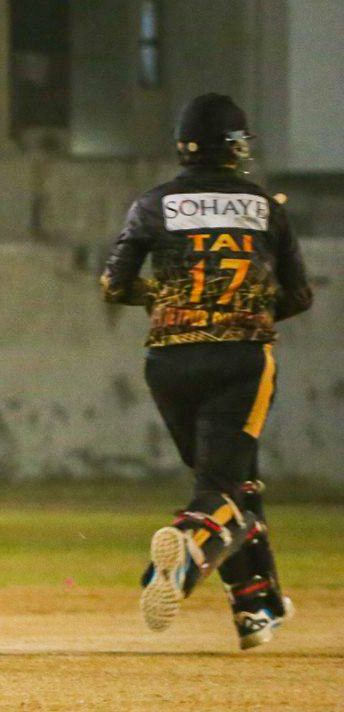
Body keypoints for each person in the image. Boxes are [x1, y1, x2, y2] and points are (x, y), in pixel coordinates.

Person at [100, 92, 313, 649]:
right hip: (240, 359)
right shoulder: (265, 206)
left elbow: (114, 285)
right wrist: (244, 310)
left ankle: (256, 606)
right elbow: (299, 295)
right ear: (236, 147)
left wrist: (166, 299)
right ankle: (184, 553)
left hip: (169, 360)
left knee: (236, 482)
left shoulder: (152, 203)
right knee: (220, 490)